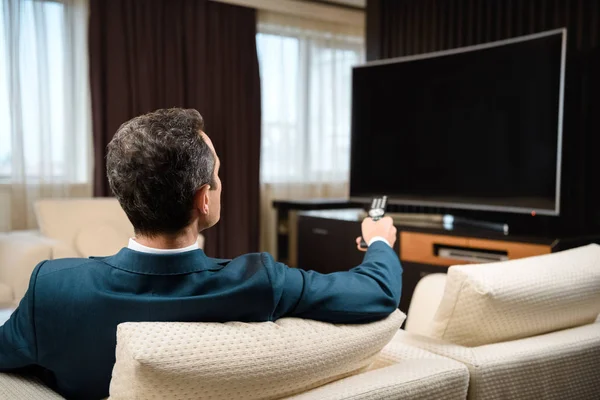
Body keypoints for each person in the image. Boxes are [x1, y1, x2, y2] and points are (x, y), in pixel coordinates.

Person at [0, 108, 402, 400]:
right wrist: (379, 240)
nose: (221, 183)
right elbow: (377, 292)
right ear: (203, 199)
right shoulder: (259, 281)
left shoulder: (52, 288)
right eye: (218, 175)